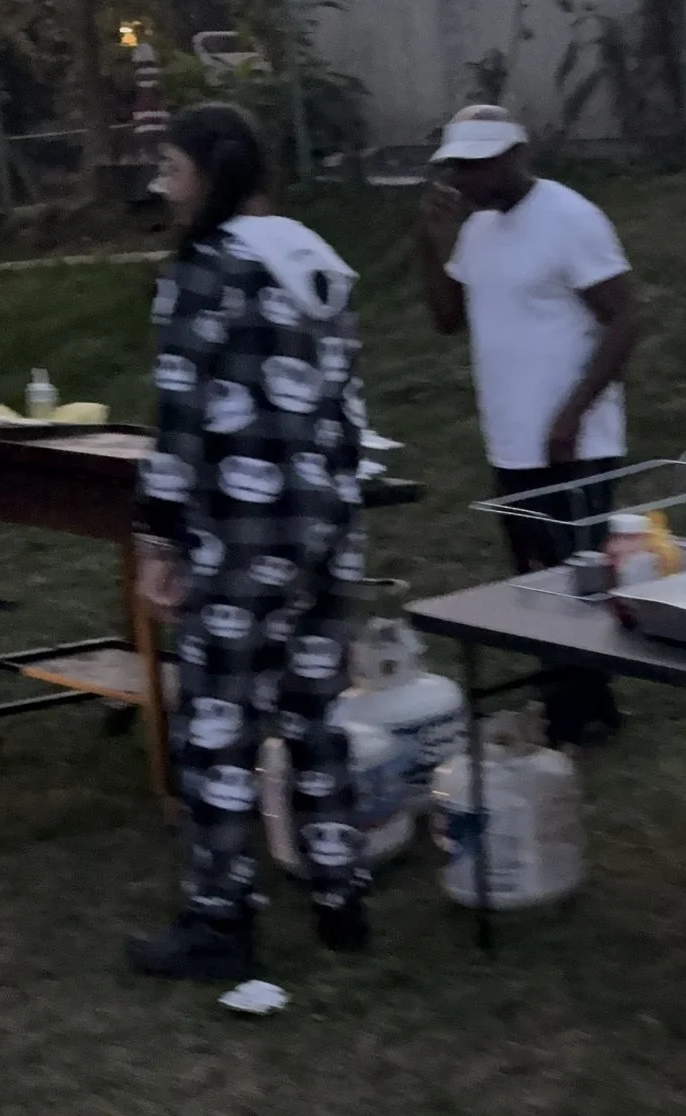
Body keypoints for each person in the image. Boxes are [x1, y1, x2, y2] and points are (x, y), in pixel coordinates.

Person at [128, 103, 374, 981]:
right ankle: (341, 898)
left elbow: (181, 418)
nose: (162, 184)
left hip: (240, 532)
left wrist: (157, 540)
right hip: (327, 523)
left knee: (219, 729)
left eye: (171, 167)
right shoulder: (315, 261)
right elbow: (346, 405)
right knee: (314, 714)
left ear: (207, 174)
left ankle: (220, 920)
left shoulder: (203, 272)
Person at [414, 105, 645, 748]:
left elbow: (624, 318)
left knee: (577, 573)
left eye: (477, 163)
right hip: (511, 436)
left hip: (575, 438)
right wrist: (432, 245)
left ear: (517, 155)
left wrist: (573, 413)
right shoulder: (477, 230)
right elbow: (445, 318)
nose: (464, 178)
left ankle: (583, 710)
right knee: (534, 576)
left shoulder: (570, 218)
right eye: (457, 165)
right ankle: (574, 703)